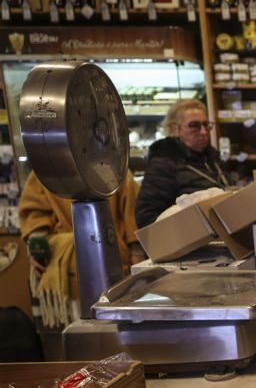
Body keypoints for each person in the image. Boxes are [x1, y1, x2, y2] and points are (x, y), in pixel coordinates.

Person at [19, 171, 142, 327]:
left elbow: (131, 213)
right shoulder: (45, 166)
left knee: (112, 331)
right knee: (70, 337)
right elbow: (35, 214)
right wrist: (37, 249)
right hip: (60, 272)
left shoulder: (113, 166)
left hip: (111, 263)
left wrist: (136, 259)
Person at [135, 99, 234, 228]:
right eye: (194, 125)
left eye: (206, 125)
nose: (204, 132)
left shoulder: (212, 158)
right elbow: (146, 217)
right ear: (174, 129)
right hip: (192, 241)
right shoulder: (163, 163)